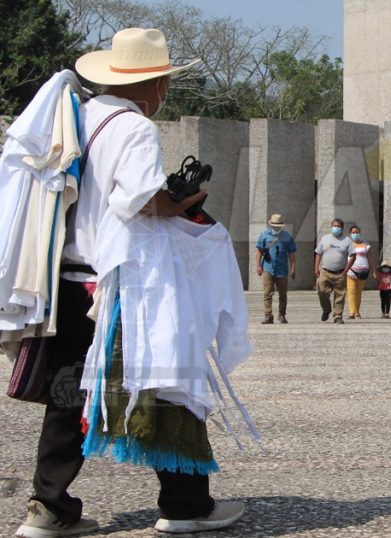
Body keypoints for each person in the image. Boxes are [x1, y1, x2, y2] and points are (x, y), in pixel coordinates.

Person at [14, 28, 244, 537]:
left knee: (68, 396)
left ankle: (48, 507)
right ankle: (185, 506)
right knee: (166, 385)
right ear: (156, 84)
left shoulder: (79, 115)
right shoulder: (135, 127)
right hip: (119, 288)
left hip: (70, 280)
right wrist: (181, 202)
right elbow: (140, 200)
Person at [256, 213, 297, 324]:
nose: (276, 227)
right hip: (268, 268)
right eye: (274, 225)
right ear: (271, 225)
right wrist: (258, 266)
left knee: (282, 294)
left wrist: (293, 267)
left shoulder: (287, 237)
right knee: (267, 293)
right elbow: (259, 251)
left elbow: (291, 253)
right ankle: (268, 315)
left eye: (278, 225)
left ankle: (282, 314)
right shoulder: (264, 235)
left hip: (282, 269)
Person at [314, 218, 352, 324]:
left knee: (340, 295)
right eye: (334, 226)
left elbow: (353, 256)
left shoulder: (347, 240)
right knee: (322, 291)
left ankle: (338, 316)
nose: (336, 228)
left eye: (338, 226)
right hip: (325, 271)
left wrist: (346, 270)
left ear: (342, 228)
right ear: (331, 227)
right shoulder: (325, 238)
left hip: (340, 272)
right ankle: (326, 309)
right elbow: (318, 253)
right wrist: (316, 268)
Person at [342, 225, 375, 319]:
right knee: (351, 291)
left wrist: (374, 271)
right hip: (351, 272)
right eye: (353, 232)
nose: (355, 234)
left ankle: (357, 311)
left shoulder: (365, 244)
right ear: (350, 234)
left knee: (358, 292)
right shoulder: (347, 244)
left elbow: (370, 257)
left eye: (357, 232)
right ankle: (352, 312)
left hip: (363, 272)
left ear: (360, 233)